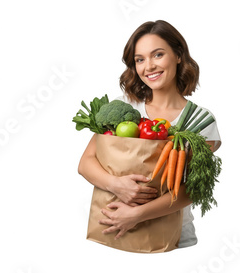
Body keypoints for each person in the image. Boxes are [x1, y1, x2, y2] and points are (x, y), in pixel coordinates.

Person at [78, 20, 221, 248]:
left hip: (173, 237)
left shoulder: (200, 120)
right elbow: (85, 163)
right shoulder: (125, 108)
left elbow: (194, 189)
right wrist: (116, 185)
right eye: (140, 59)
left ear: (178, 55)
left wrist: (137, 214)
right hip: (111, 228)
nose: (149, 66)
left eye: (158, 55)